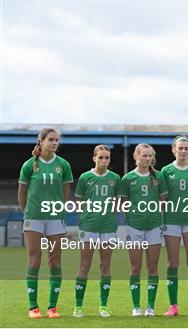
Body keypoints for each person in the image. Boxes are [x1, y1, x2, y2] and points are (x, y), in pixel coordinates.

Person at [18, 128, 73, 319]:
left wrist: (58, 209)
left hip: (55, 218)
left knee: (55, 260)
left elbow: (65, 192)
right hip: (33, 217)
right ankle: (33, 307)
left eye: (57, 140)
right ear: (41, 141)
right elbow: (21, 194)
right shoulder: (29, 165)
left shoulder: (64, 164)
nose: (54, 143)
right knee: (34, 259)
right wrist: (29, 214)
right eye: (50, 140)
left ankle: (52, 308)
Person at [118, 143, 168, 317]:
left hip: (154, 226)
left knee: (153, 266)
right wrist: (133, 215)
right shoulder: (127, 178)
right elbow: (124, 203)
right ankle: (136, 307)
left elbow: (163, 201)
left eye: (150, 156)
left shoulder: (158, 176)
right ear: (136, 156)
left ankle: (150, 307)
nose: (148, 159)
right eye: (144, 155)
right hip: (134, 227)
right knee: (135, 267)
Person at [73, 145, 121, 318]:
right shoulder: (85, 177)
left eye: (107, 158)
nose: (104, 161)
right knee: (84, 265)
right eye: (100, 157)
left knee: (105, 265)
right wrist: (86, 215)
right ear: (94, 158)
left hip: (108, 227)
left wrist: (111, 213)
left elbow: (119, 201)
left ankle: (103, 306)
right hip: (89, 227)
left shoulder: (115, 178)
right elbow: (79, 199)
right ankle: (78, 306)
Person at [161, 136, 188, 317]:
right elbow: (162, 198)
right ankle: (173, 306)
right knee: (173, 263)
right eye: (180, 148)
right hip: (170, 221)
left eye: (186, 148)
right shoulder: (165, 170)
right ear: (174, 150)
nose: (183, 151)